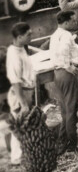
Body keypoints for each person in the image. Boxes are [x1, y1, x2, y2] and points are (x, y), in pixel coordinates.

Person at [50, 10, 78, 153]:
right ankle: (73, 143)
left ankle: (62, 141)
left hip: (57, 74)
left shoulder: (55, 35)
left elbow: (59, 53)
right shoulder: (66, 35)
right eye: (73, 20)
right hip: (67, 74)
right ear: (65, 22)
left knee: (64, 110)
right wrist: (69, 66)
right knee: (71, 110)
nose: (75, 22)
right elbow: (63, 51)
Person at [5, 22, 35, 167]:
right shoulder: (14, 55)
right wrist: (23, 104)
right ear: (19, 37)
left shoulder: (20, 48)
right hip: (19, 95)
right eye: (28, 35)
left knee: (25, 125)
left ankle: (24, 154)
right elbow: (15, 81)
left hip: (27, 91)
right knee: (19, 126)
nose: (31, 36)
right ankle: (17, 158)